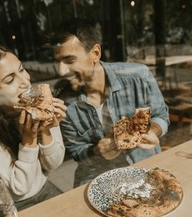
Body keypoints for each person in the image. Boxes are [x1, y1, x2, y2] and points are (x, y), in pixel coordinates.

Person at [51, 19, 170, 187]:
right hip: (96, 176)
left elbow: (161, 116)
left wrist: (153, 131)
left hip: (145, 168)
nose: (61, 71)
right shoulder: (63, 103)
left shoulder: (139, 76)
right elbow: (76, 151)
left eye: (69, 60)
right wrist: (96, 151)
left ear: (96, 53)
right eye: (58, 62)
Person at [0, 42, 67, 210]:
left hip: (43, 189)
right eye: (9, 80)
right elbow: (19, 187)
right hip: (8, 202)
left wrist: (45, 129)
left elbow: (52, 165)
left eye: (22, 69)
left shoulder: (39, 104)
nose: (25, 82)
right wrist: (29, 138)